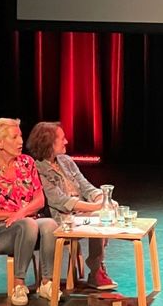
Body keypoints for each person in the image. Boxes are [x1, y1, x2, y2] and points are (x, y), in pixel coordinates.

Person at [0, 118, 57, 306]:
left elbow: (40, 200)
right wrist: (9, 215)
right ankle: (19, 284)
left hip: (28, 224)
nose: (20, 142)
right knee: (28, 223)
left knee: (49, 224)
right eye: (14, 137)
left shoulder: (27, 163)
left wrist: (21, 213)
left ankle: (47, 282)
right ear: (0, 142)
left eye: (21, 136)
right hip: (0, 233)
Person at [26, 122, 117, 289]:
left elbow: (86, 186)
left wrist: (102, 198)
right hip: (62, 220)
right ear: (49, 143)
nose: (66, 141)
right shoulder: (37, 169)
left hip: (81, 214)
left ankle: (96, 268)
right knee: (99, 215)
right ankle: (96, 270)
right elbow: (61, 201)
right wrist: (98, 207)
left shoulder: (66, 161)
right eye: (62, 139)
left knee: (107, 212)